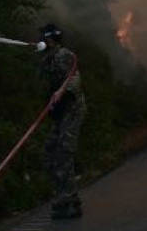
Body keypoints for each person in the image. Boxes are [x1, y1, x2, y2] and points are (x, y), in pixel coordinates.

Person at [38, 23, 86, 220]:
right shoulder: (49, 58)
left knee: (64, 153)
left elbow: (74, 76)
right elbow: (42, 78)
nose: (40, 40)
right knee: (49, 151)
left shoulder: (65, 55)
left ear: (49, 39)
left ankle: (70, 201)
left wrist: (61, 92)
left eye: (43, 37)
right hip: (60, 113)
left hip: (72, 110)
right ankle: (62, 196)